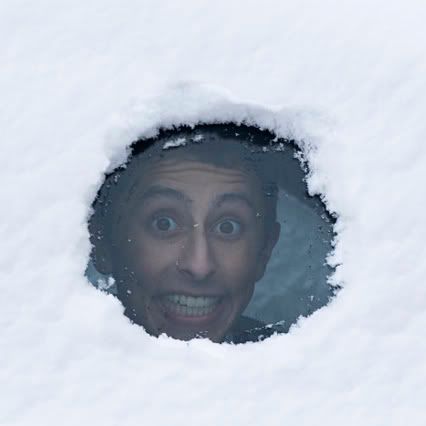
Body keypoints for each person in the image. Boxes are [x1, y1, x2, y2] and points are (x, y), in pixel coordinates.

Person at [89, 124, 284, 343]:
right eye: (164, 224)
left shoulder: (290, 359)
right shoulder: (63, 357)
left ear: (264, 252)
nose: (199, 266)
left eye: (228, 227)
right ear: (102, 243)